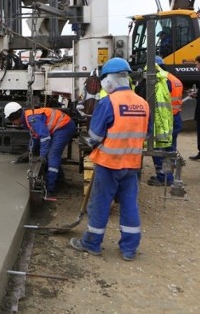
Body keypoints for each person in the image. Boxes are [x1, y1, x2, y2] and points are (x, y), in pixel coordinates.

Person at [69, 57, 150, 261]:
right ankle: (129, 249)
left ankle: (92, 243)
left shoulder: (109, 102)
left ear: (108, 81)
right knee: (129, 204)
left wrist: (91, 142)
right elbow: (146, 134)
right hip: (132, 163)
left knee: (100, 203)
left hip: (109, 163)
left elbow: (95, 136)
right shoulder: (143, 103)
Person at [4, 102, 76, 194]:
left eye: (11, 120)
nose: (12, 123)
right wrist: (29, 151)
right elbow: (35, 136)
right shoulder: (27, 119)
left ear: (15, 116)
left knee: (52, 155)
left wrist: (42, 156)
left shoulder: (32, 119)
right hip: (60, 127)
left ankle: (50, 189)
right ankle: (59, 180)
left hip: (64, 126)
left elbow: (44, 137)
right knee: (52, 155)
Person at [147, 56, 178, 186]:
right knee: (169, 150)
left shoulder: (161, 79)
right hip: (173, 118)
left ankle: (164, 178)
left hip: (163, 120)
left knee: (160, 149)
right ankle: (169, 177)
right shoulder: (172, 77)